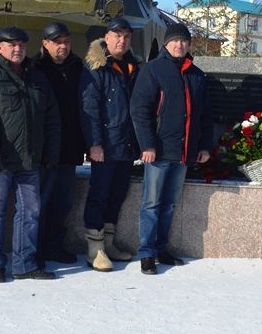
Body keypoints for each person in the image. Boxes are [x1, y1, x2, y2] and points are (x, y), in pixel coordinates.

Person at [0, 26, 61, 283]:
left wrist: (50, 151)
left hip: (30, 158)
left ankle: (24, 263)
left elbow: (52, 117)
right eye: (11, 45)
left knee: (30, 212)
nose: (17, 49)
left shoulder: (37, 78)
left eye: (21, 44)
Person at [131, 22, 213, 275]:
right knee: (152, 202)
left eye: (184, 41)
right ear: (167, 43)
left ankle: (161, 247)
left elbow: (204, 115)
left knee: (169, 204)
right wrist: (147, 144)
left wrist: (205, 146)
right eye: (175, 40)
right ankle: (147, 252)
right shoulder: (153, 70)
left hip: (185, 152)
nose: (179, 45)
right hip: (158, 150)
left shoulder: (197, 75)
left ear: (189, 45)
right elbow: (140, 110)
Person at [78, 18, 140, 271]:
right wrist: (94, 144)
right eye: (117, 35)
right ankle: (95, 249)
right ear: (106, 37)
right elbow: (89, 108)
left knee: (117, 195)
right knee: (99, 195)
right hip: (105, 145)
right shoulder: (96, 66)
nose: (122, 40)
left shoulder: (131, 66)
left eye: (126, 36)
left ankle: (110, 243)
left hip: (125, 145)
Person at [33, 21, 87, 268]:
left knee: (63, 202)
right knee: (41, 202)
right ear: (45, 43)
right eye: (57, 42)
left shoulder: (78, 67)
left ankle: (55, 246)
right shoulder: (35, 68)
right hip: (44, 148)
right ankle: (36, 249)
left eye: (66, 41)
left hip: (69, 146)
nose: (63, 46)